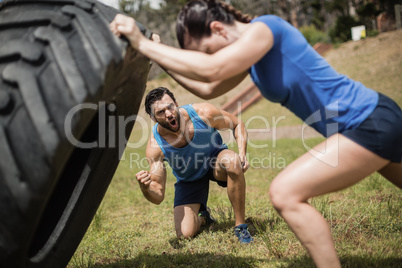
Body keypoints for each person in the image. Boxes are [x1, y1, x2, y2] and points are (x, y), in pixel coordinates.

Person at [110, 1, 402, 267]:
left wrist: (142, 43)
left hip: (367, 120)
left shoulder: (266, 28)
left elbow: (212, 70)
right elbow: (208, 87)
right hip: (370, 122)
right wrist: (160, 59)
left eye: (207, 50)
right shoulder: (254, 62)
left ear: (217, 29)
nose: (210, 57)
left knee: (284, 194)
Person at [135, 87, 253, 243]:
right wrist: (145, 188)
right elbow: (158, 195)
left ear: (176, 103)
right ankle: (203, 218)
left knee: (232, 161)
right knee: (185, 235)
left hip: (215, 162)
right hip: (189, 178)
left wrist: (242, 153)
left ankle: (240, 227)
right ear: (153, 118)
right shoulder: (156, 146)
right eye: (160, 112)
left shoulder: (202, 113)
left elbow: (237, 124)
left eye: (170, 106)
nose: (169, 114)